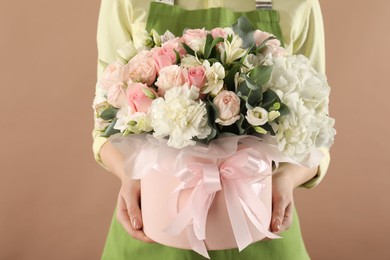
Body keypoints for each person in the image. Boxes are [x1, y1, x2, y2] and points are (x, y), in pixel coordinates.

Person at [93, 0, 331, 259]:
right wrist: (129, 177)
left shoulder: (299, 4)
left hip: (258, 219)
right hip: (156, 221)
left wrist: (285, 180)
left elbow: (316, 127)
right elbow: (105, 118)